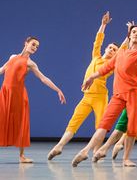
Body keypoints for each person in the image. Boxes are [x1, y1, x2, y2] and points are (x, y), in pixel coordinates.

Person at [71, 25, 137, 167]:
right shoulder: (120, 53)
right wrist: (91, 77)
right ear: (129, 36)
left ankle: (126, 158)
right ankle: (85, 151)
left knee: (132, 126)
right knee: (104, 124)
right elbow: (105, 68)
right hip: (118, 95)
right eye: (133, 32)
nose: (136, 34)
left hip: (134, 95)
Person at [47, 12, 118, 160]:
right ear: (106, 49)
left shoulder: (111, 65)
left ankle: (95, 153)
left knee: (101, 126)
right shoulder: (96, 56)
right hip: (86, 97)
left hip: (100, 98)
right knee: (74, 121)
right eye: (110, 47)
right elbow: (97, 41)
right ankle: (59, 146)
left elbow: (124, 47)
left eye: (114, 50)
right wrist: (103, 25)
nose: (111, 49)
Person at [0, 37, 66, 163]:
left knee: (21, 123)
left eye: (37, 47)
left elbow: (43, 78)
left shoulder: (30, 63)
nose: (35, 48)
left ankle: (22, 156)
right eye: (33, 44)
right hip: (5, 93)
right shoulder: (12, 57)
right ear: (26, 43)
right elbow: (2, 70)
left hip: (18, 96)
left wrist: (58, 90)